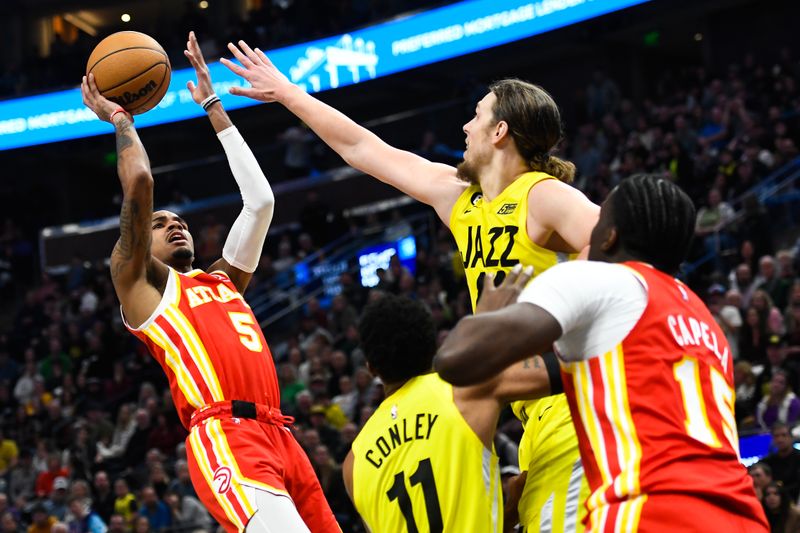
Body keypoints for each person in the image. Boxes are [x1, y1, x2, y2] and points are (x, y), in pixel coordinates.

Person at [221, 40, 599, 532]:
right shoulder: (462, 201)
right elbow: (364, 149)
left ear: (500, 132)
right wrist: (290, 94)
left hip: (574, 403)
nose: (465, 127)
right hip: (536, 418)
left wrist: (563, 318)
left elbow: (613, 240)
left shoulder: (542, 194)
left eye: (476, 116)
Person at [80, 31, 338, 532]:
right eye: (159, 223)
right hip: (225, 434)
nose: (173, 223)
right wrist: (120, 121)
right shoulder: (140, 286)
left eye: (180, 220)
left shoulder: (223, 281)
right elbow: (139, 184)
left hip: (280, 435)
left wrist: (213, 105)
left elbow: (260, 202)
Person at [435, 175, 768, 531]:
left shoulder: (596, 280)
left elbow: (455, 361)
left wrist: (489, 315)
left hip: (656, 512)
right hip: (741, 514)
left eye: (598, 223)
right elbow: (555, 375)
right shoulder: (703, 319)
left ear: (609, 237)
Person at [345, 292, 558, 531]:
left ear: (371, 368)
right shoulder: (465, 388)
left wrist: (509, 513)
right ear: (434, 346)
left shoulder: (353, 465)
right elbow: (567, 368)